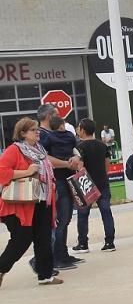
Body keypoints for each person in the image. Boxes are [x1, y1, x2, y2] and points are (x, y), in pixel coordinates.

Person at [0, 117, 61, 286]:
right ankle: (1, 268)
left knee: (44, 238)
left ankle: (45, 275)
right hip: (20, 203)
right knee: (22, 239)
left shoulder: (39, 150)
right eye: (33, 130)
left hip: (41, 201)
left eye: (37, 129)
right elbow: (2, 172)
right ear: (23, 133)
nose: (38, 132)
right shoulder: (15, 150)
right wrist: (26, 172)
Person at [37, 106, 82, 270]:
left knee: (66, 217)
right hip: (56, 181)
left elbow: (76, 148)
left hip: (66, 178)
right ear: (49, 116)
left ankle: (62, 253)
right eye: (56, 114)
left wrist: (76, 157)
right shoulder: (42, 135)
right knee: (59, 219)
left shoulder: (61, 135)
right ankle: (55, 257)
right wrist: (67, 163)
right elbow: (43, 157)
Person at [73, 118, 115, 253]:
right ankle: (109, 242)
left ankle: (83, 243)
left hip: (86, 183)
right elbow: (107, 162)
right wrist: (104, 175)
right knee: (106, 212)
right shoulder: (102, 145)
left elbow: (80, 165)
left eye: (78, 128)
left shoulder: (80, 147)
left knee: (83, 214)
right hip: (102, 182)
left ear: (82, 130)